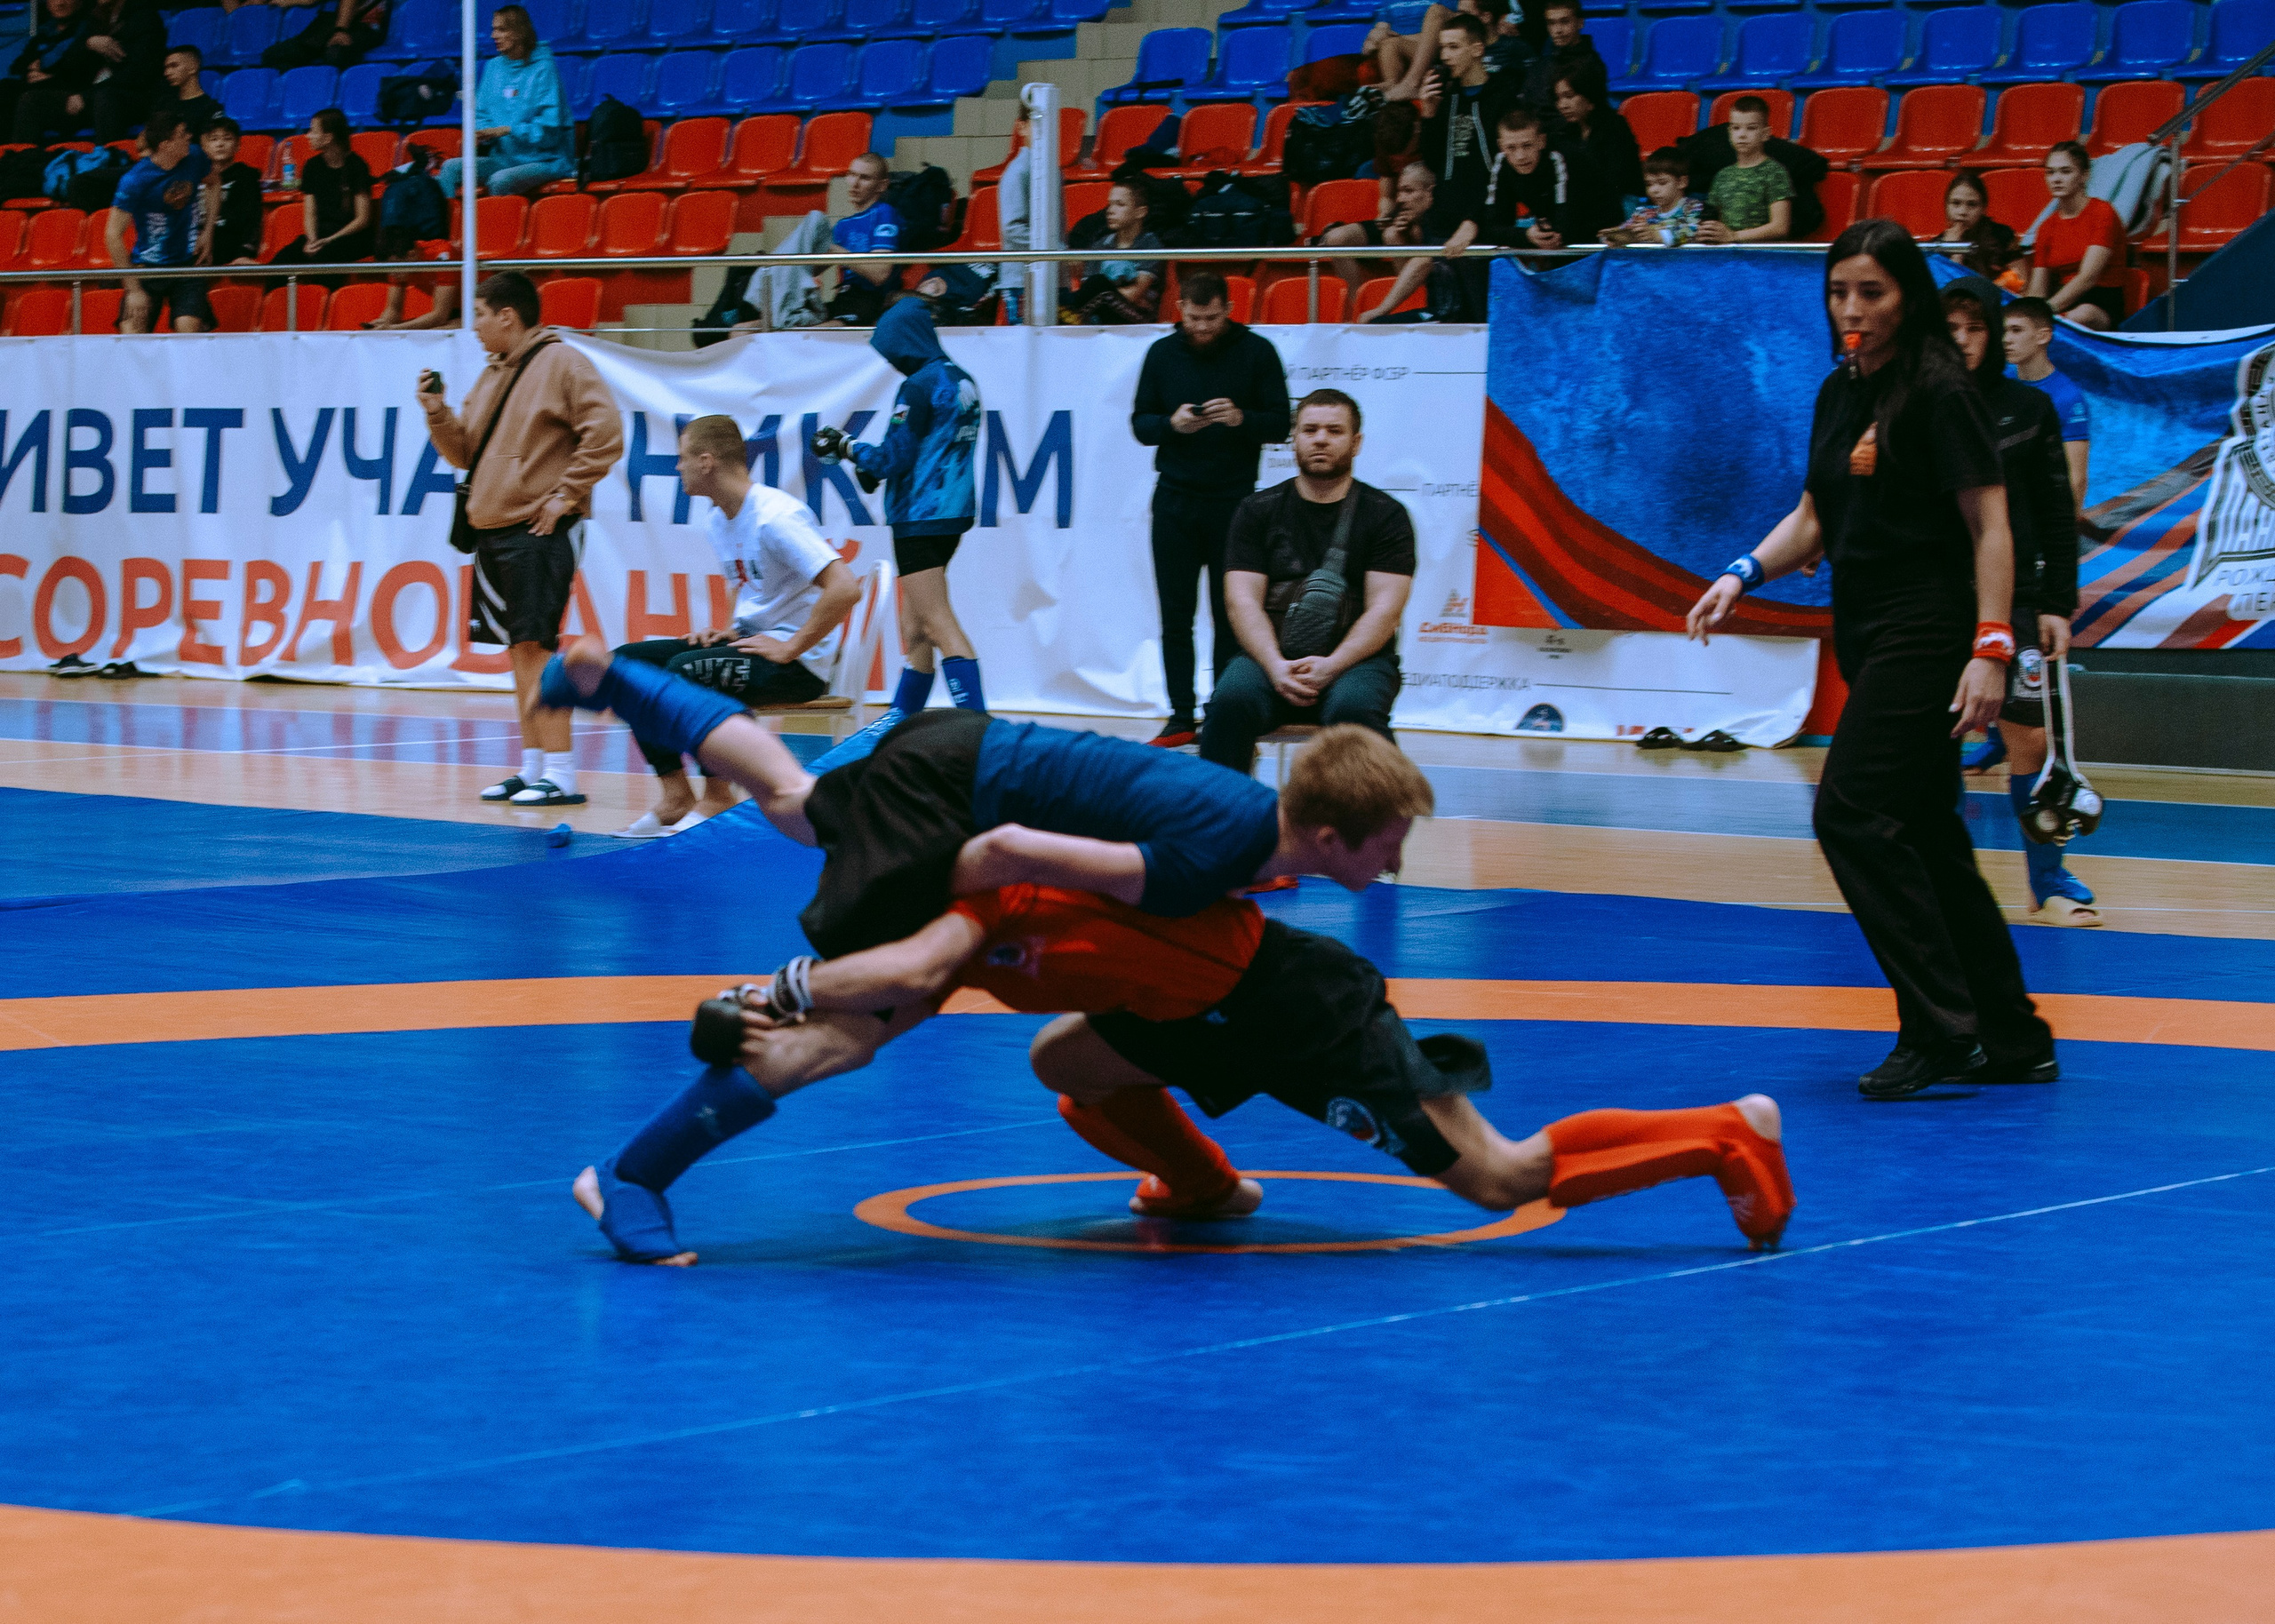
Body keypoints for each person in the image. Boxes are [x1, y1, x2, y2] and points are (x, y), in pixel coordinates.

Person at [571, 880, 1796, 1267]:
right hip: (1196, 1021)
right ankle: (1207, 1191)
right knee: (1069, 1058)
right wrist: (652, 1151)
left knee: (1500, 1175)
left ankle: (1724, 1134)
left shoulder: (1030, 881)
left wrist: (766, 997)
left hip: (1297, 1018)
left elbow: (829, 1023)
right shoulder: (939, 942)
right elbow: (831, 1037)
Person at [1686, 219, 2055, 1101]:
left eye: (1872, 293)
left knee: (1848, 812)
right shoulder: (1840, 390)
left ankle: (1939, 1025)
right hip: (1868, 628)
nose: (1852, 309)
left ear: (1907, 298)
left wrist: (1990, 647)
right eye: (1838, 292)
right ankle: (2010, 1032)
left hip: (1929, 631)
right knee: (1927, 833)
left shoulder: (1939, 389)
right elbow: (1813, 513)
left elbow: (1990, 524)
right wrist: (1740, 573)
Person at [540, 642, 1436, 961]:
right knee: (795, 808)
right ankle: (624, 681)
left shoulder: (1240, 815)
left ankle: (620, 680)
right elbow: (1011, 852)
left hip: (971, 752)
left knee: (790, 798)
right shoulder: (1223, 848)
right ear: (1328, 833)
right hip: (956, 783)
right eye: (1388, 842)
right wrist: (920, 916)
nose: (1396, 860)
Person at [416, 270, 625, 808]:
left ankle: (561, 772)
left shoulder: (563, 362)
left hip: (537, 529)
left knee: (538, 649)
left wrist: (565, 495)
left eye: (480, 316)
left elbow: (606, 433)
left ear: (507, 316)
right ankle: (533, 766)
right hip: (493, 531)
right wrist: (437, 414)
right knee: (518, 652)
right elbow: (465, 453)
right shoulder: (490, 375)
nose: (475, 330)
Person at [610, 416, 861, 840]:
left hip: (797, 666)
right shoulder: (719, 518)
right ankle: (676, 795)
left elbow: (845, 588)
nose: (677, 468)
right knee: (623, 667)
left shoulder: (775, 517)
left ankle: (717, 795)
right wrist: (728, 631)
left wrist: (792, 648)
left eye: (682, 458)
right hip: (753, 647)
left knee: (691, 671)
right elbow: (749, 587)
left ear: (707, 462)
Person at [1941, 278, 2096, 930]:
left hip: (2020, 600)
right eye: (1953, 328)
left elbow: (2059, 512)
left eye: (1978, 328)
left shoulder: (2032, 410)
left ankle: (2046, 880)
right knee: (1932, 739)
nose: (1966, 341)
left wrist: (2058, 600)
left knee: (2028, 736)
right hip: (1937, 599)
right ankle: (1940, 880)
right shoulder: (1923, 406)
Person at [1199, 390, 1415, 773]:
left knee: (1354, 710)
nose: (1320, 439)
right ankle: (1219, 822)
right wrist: (1276, 665)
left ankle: (1365, 831)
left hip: (1356, 662)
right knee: (1230, 703)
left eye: (1334, 431)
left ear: (1356, 442)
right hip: (1270, 656)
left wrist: (1332, 665)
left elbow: (1385, 612)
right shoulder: (1256, 510)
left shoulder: (1386, 516)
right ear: (1294, 438)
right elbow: (1241, 602)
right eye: (1309, 429)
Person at [809, 292, 983, 760]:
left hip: (919, 519)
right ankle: (902, 718)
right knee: (916, 626)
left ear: (903, 341)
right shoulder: (961, 379)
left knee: (936, 620)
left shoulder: (918, 386)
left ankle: (980, 732)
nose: (890, 360)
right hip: (951, 515)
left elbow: (892, 458)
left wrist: (845, 447)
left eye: (890, 349)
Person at [1130, 270, 1291, 748]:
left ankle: (1224, 709)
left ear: (1229, 309)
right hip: (1175, 498)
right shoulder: (1162, 353)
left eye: (1213, 318)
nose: (1203, 328)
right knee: (1175, 614)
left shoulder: (1257, 351)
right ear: (1180, 309)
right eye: (1196, 318)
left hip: (1236, 502)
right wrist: (1171, 423)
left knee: (1233, 614)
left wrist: (1242, 419)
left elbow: (1281, 424)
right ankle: (1180, 714)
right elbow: (1140, 424)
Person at [436, 5, 571, 201]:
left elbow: (549, 132)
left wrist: (507, 130)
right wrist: (483, 133)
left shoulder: (544, 68)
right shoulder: (493, 67)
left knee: (500, 180)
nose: (493, 36)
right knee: (449, 169)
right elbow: (481, 114)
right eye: (493, 29)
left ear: (518, 33)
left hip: (544, 159)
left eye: (501, 30)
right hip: (502, 158)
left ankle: (498, 231)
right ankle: (449, 230)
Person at [109, 109, 221, 335]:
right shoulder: (134, 180)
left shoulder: (195, 157)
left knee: (188, 330)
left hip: (187, 263)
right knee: (130, 331)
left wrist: (208, 230)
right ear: (165, 144)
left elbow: (214, 183)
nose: (189, 136)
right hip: (148, 266)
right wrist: (133, 290)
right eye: (182, 134)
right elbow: (112, 234)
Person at [12, 0, 163, 143]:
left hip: (129, 99)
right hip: (91, 97)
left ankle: (109, 161)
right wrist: (88, 43)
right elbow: (68, 65)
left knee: (105, 99)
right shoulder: (97, 19)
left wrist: (86, 96)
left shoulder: (145, 17)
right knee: (31, 101)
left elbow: (139, 74)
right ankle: (23, 161)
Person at [2027, 141, 2126, 331]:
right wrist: (2029, 313)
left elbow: (2088, 277)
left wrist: (2045, 312)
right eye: (2050, 172)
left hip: (2101, 301)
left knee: (2080, 315)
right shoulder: (2046, 227)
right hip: (2062, 300)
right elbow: (2038, 289)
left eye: (2065, 171)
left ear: (2084, 176)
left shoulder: (2102, 212)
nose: (2056, 179)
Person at [267, 107, 375, 269]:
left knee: (323, 259)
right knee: (281, 261)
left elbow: (362, 219)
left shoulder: (357, 166)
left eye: (312, 131)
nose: (308, 136)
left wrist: (329, 240)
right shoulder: (312, 166)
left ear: (328, 138)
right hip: (319, 236)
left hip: (350, 237)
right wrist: (312, 240)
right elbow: (310, 213)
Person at [1062, 179, 1162, 324]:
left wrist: (1103, 289)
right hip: (1100, 312)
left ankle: (1068, 318)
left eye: (1120, 204)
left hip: (1138, 318)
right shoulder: (1100, 244)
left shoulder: (1149, 243)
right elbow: (1087, 293)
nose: (1110, 210)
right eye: (1110, 204)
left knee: (1097, 283)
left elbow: (1134, 295)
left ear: (1141, 212)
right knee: (1059, 296)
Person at [823, 152, 904, 327]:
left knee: (814, 334)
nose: (854, 184)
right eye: (851, 175)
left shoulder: (884, 213)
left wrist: (836, 251)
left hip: (871, 299)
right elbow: (814, 269)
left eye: (864, 178)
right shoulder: (842, 225)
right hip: (843, 297)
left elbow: (880, 274)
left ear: (882, 186)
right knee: (777, 324)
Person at [1696, 97, 1792, 244]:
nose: (1742, 135)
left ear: (1766, 134)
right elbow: (1719, 223)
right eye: (1736, 128)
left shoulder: (1774, 172)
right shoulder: (1722, 176)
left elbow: (1780, 227)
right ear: (1729, 132)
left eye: (1751, 128)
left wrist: (1734, 236)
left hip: (1761, 256)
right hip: (1728, 256)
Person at [1551, 59, 1641, 203]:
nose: (1562, 105)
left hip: (1621, 203)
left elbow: (1618, 182)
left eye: (1569, 96)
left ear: (1589, 95)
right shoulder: (1565, 133)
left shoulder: (1615, 127)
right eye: (1558, 98)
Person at [1, 0, 85, 143]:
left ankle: (21, 157)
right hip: (39, 86)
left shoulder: (86, 30)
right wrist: (35, 71)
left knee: (27, 98)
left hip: (69, 93)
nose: (60, 3)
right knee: (5, 88)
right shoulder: (45, 32)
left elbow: (79, 70)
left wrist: (49, 74)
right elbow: (18, 66)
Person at [1600, 147, 1704, 246]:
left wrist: (1657, 235)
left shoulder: (1694, 208)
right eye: (1649, 184)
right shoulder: (1643, 213)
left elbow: (1691, 233)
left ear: (1682, 182)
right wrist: (1614, 236)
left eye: (1662, 183)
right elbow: (1625, 230)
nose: (1654, 190)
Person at [199, 116, 265, 267]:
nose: (220, 144)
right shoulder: (194, 176)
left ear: (238, 145)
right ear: (204, 145)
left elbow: (252, 220)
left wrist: (245, 252)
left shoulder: (247, 177)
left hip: (228, 242)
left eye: (227, 139)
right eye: (214, 139)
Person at [260, 0, 388, 71]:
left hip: (366, 26)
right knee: (273, 55)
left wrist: (340, 30)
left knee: (335, 53)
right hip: (330, 25)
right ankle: (306, 84)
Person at [158, 44, 222, 133]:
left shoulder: (211, 108)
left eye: (174, 66)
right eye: (166, 68)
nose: (167, 73)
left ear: (193, 67)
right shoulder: (163, 105)